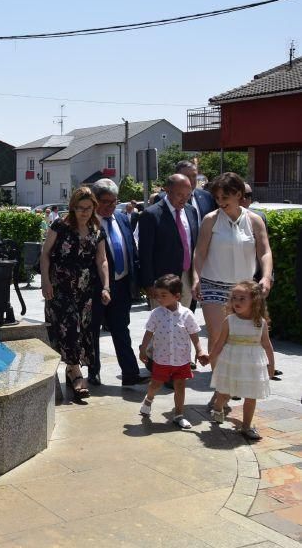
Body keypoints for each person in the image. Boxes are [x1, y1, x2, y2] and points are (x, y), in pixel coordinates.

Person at [193, 173, 272, 367]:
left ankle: (238, 379)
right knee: (217, 334)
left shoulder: (254, 220)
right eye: (217, 198)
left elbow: (265, 251)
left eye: (224, 197)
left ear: (238, 194)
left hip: (244, 288)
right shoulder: (210, 220)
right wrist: (196, 278)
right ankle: (220, 388)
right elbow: (200, 253)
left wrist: (267, 277)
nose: (220, 202)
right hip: (213, 285)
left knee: (243, 336)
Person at [40, 187, 110, 399]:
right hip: (59, 288)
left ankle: (71, 369)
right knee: (69, 328)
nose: (84, 212)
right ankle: (76, 372)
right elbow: (45, 254)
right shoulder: (60, 226)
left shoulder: (97, 230)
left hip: (85, 289)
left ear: (94, 207)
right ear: (72, 207)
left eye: (88, 208)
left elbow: (102, 260)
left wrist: (106, 286)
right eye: (79, 208)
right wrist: (45, 282)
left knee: (82, 330)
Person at [89, 179, 147, 387]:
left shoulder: (122, 219)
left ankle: (130, 373)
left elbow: (131, 249)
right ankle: (93, 372)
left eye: (114, 202)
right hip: (95, 287)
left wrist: (137, 281)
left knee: (121, 329)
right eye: (106, 202)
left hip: (121, 286)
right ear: (95, 201)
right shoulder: (88, 223)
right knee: (92, 329)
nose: (111, 206)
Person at [138, 274, 208, 429]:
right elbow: (149, 332)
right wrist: (143, 349)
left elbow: (194, 334)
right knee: (156, 384)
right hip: (161, 359)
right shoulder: (156, 313)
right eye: (157, 296)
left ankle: (179, 415)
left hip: (181, 360)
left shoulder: (187, 314)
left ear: (176, 296)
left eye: (164, 295)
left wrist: (200, 351)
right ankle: (148, 399)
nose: (159, 299)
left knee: (180, 386)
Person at [209, 281, 275, 441]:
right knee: (225, 393)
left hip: (252, 365)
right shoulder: (230, 321)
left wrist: (271, 364)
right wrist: (209, 358)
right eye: (234, 298)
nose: (236, 302)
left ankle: (246, 426)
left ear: (254, 301)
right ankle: (218, 406)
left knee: (251, 395)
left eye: (242, 298)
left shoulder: (260, 323)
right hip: (232, 361)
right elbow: (219, 344)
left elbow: (267, 344)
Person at [138, 174, 199, 306]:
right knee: (163, 324)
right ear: (167, 190)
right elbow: (145, 253)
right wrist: (148, 283)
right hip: (162, 283)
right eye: (180, 195)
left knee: (183, 322)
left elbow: (193, 245)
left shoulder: (191, 211)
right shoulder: (151, 214)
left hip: (187, 277)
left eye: (188, 195)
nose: (184, 199)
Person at [176, 160, 217, 229]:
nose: (191, 179)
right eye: (187, 176)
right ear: (177, 176)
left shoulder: (207, 196)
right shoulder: (165, 198)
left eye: (194, 175)